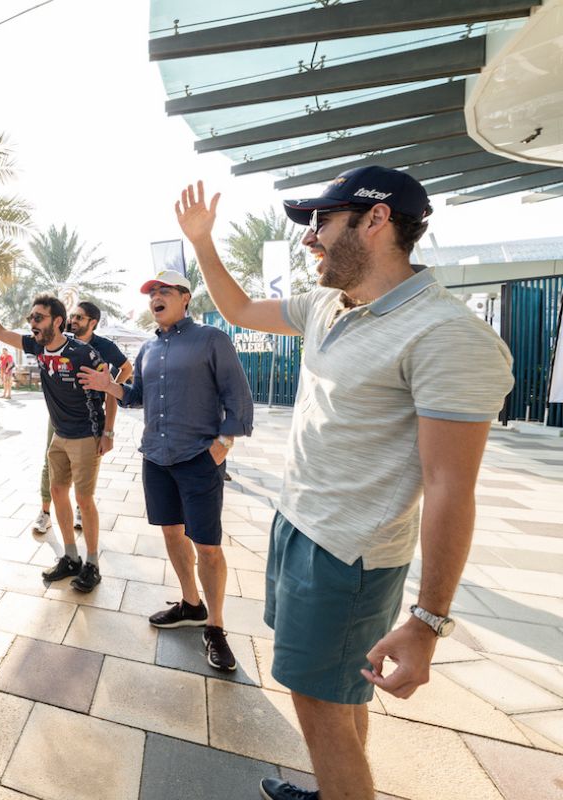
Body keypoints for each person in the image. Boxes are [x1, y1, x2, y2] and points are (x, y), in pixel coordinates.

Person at [174, 169, 514, 800]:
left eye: (322, 222)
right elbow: (242, 309)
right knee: (338, 691)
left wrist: (428, 621)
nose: (309, 240)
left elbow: (449, 486)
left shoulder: (447, 335)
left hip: (348, 556)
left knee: (318, 706)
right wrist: (202, 243)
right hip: (298, 527)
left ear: (377, 220)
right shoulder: (329, 304)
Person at [80, 272, 253, 672]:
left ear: (185, 298)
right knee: (172, 533)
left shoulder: (211, 339)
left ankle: (216, 626)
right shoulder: (146, 349)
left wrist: (221, 447)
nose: (155, 298)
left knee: (207, 546)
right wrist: (110, 386)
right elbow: (136, 396)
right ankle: (191, 604)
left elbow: (239, 399)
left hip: (198, 458)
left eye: (163, 291)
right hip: (156, 458)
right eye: (151, 294)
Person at [0, 270, 115, 592]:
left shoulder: (82, 353)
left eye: (39, 317)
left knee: (84, 500)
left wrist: (109, 433)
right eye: (31, 316)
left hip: (87, 436)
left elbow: (112, 390)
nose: (32, 322)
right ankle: (71, 558)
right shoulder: (37, 347)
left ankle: (92, 564)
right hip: (59, 435)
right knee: (58, 493)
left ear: (57, 321)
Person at [33, 301, 130, 536]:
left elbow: (127, 368)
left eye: (79, 317)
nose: (73, 321)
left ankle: (80, 508)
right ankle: (45, 512)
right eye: (72, 316)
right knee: (50, 463)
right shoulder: (61, 339)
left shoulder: (103, 346)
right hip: (59, 416)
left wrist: (108, 386)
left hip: (89, 417)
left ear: (92, 322)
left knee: (83, 470)